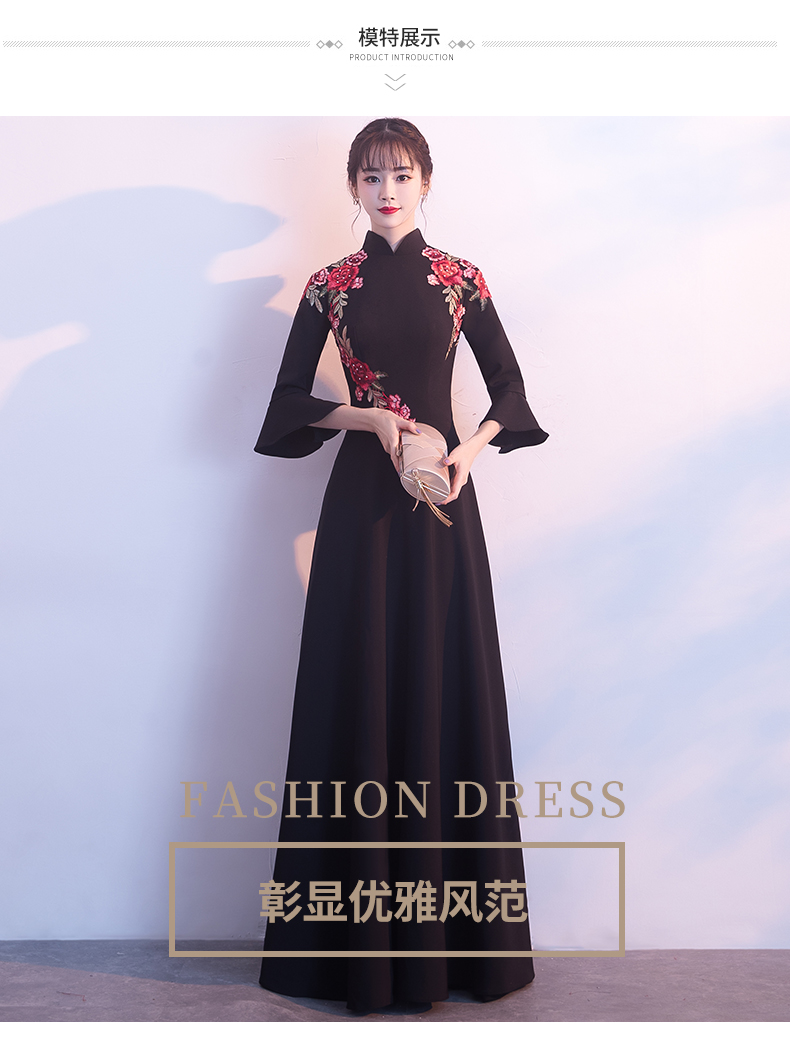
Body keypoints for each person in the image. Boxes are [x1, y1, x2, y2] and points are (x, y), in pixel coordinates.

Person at [254, 118, 548, 1012]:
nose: (387, 190)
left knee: (442, 681)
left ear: (425, 181)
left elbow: (511, 390)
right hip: (360, 503)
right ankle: (346, 956)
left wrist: (469, 451)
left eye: (402, 174)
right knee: (359, 682)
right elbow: (286, 402)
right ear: (352, 186)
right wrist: (370, 418)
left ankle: (458, 953)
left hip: (440, 499)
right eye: (372, 176)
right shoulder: (329, 286)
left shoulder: (460, 278)